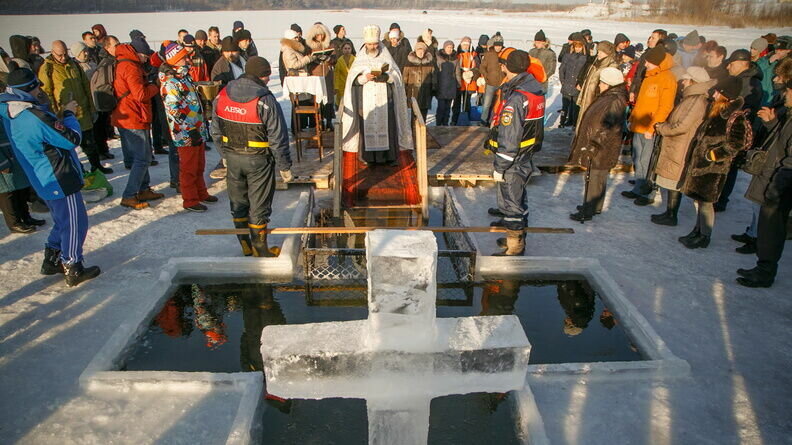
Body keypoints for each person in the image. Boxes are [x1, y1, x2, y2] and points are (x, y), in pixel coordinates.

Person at [0, 68, 100, 286]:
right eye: (37, 85)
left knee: (63, 219)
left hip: (41, 175)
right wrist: (69, 114)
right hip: (58, 175)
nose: (41, 88)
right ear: (29, 88)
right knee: (75, 222)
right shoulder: (33, 116)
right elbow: (71, 139)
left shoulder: (8, 109)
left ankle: (53, 257)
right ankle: (72, 265)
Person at [211, 56, 291, 257]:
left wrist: (224, 155)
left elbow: (215, 130)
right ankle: (260, 249)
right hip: (258, 161)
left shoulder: (223, 95)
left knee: (238, 202)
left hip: (233, 158)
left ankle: (245, 244)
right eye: (267, 75)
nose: (268, 79)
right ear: (261, 76)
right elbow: (277, 136)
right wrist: (284, 165)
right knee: (259, 205)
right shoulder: (265, 99)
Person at [679, 78, 752, 249]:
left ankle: (705, 236)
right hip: (701, 165)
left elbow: (736, 144)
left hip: (713, 168)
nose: (714, 94)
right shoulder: (716, 111)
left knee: (706, 203)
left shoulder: (734, 117)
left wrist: (714, 155)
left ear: (725, 96)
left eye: (717, 92)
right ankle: (697, 230)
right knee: (699, 201)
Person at [486, 49, 545, 255]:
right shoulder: (534, 90)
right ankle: (517, 236)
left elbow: (510, 137)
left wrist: (500, 166)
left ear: (506, 67)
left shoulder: (517, 99)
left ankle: (515, 246)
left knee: (512, 204)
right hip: (525, 154)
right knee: (519, 199)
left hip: (513, 159)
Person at [737, 79, 792, 287]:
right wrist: (770, 122)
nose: (785, 94)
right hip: (775, 175)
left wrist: (779, 182)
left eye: (789, 91)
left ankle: (765, 272)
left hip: (782, 180)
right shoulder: (789, 114)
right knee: (768, 227)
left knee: (773, 228)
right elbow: (780, 141)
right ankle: (763, 267)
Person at [340, 25, 413, 165]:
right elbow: (352, 81)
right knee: (367, 127)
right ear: (365, 44)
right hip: (366, 100)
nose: (373, 47)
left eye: (375, 44)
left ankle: (388, 157)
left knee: (387, 126)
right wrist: (364, 78)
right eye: (369, 44)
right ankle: (369, 158)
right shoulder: (360, 59)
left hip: (385, 99)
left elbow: (396, 77)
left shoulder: (386, 56)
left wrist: (386, 77)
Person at [650, 67, 714, 226]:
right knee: (672, 180)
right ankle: (669, 212)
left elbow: (682, 126)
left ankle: (672, 215)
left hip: (681, 145)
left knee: (675, 180)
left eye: (686, 79)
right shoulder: (690, 98)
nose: (683, 82)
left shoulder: (697, 101)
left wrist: (662, 128)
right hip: (676, 143)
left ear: (693, 81)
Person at [159, 42, 217, 212]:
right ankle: (190, 200)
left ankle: (201, 192)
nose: (187, 59)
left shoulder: (185, 77)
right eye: (184, 57)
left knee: (199, 164)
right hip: (184, 132)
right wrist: (188, 129)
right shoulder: (170, 83)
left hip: (197, 127)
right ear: (175, 60)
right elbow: (173, 111)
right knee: (189, 167)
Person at [39, 40, 110, 175]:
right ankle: (79, 171)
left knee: (89, 143)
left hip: (82, 110)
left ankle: (96, 166)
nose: (63, 57)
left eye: (65, 54)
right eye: (60, 55)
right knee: (69, 144)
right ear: (52, 52)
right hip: (63, 114)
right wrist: (54, 113)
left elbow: (86, 86)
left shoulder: (74, 65)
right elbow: (46, 93)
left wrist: (92, 107)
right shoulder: (47, 69)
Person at [568, 67, 628, 222]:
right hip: (602, 145)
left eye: (602, 82)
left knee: (595, 176)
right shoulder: (610, 97)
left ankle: (589, 209)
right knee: (597, 175)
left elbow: (608, 127)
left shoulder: (615, 100)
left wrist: (594, 145)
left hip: (602, 146)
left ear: (609, 84)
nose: (600, 85)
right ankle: (595, 206)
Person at [621, 45, 676, 206]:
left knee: (648, 161)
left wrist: (653, 127)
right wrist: (632, 118)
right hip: (638, 125)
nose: (645, 64)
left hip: (650, 129)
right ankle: (638, 188)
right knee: (638, 159)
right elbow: (641, 102)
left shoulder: (667, 79)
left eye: (648, 62)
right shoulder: (649, 76)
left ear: (657, 62)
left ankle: (649, 192)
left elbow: (665, 107)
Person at [112, 43, 164, 210]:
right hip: (133, 117)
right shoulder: (131, 67)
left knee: (143, 156)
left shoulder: (125, 63)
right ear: (138, 53)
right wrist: (155, 86)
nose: (146, 59)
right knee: (142, 158)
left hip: (131, 115)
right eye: (145, 56)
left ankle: (143, 189)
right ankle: (129, 195)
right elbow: (140, 94)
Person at [714, 48, 764, 212]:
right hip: (728, 127)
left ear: (743, 64)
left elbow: (745, 110)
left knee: (730, 165)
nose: (728, 67)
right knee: (724, 163)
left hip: (736, 131)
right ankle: (717, 195)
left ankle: (721, 199)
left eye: (732, 64)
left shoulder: (751, 84)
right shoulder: (738, 79)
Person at [0, 82, 43, 234]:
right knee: (7, 192)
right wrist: (2, 163)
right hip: (3, 156)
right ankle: (14, 222)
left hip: (13, 151)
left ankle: (26, 216)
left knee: (21, 187)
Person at [576, 41, 619, 132]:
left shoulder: (611, 66)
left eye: (600, 52)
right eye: (598, 51)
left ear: (607, 53)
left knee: (592, 126)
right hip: (587, 99)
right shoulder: (595, 63)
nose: (598, 53)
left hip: (597, 100)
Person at [91, 35, 119, 162]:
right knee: (100, 126)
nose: (118, 47)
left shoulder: (113, 60)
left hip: (109, 99)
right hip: (104, 99)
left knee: (104, 125)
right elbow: (103, 84)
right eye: (115, 45)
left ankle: (104, 149)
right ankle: (101, 150)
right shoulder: (106, 63)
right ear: (107, 47)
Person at [306, 22, 336, 129]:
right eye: (318, 35)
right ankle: (319, 121)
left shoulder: (330, 44)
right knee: (318, 98)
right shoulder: (310, 46)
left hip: (327, 74)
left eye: (322, 34)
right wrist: (314, 59)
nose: (320, 37)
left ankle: (329, 121)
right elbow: (307, 60)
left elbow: (335, 59)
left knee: (328, 99)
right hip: (316, 74)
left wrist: (328, 59)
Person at [558, 33, 587, 128]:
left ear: (582, 47)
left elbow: (585, 72)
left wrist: (581, 84)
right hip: (567, 84)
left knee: (575, 107)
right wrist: (562, 81)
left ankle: (574, 123)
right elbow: (562, 69)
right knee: (564, 106)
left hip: (577, 85)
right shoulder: (567, 56)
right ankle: (562, 122)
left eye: (579, 47)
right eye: (576, 47)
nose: (577, 49)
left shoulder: (584, 58)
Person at [403, 41, 437, 121]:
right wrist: (404, 88)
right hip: (412, 91)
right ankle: (413, 127)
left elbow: (434, 76)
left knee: (423, 112)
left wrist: (434, 88)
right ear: (415, 51)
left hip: (426, 91)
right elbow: (404, 77)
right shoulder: (409, 62)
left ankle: (423, 127)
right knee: (413, 112)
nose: (421, 52)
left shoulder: (430, 62)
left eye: (422, 50)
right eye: (419, 50)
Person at [478, 34, 504, 127]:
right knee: (486, 104)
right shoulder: (489, 54)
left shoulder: (504, 54)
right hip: (490, 83)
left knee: (499, 104)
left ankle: (496, 122)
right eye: (497, 45)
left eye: (500, 45)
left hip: (501, 84)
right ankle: (483, 121)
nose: (498, 47)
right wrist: (486, 76)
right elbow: (482, 67)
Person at [453, 36, 478, 125]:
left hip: (469, 83)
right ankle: (455, 119)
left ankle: (466, 119)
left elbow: (477, 67)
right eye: (464, 45)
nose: (466, 46)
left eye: (467, 45)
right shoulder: (457, 55)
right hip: (459, 82)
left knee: (467, 102)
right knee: (457, 102)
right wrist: (461, 73)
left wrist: (471, 73)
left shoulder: (474, 55)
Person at [435, 40, 458, 126]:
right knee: (441, 107)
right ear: (444, 48)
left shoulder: (455, 59)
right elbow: (435, 71)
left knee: (448, 108)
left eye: (451, 47)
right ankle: (438, 124)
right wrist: (435, 84)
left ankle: (445, 124)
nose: (450, 49)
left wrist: (458, 84)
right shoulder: (439, 57)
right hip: (441, 85)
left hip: (451, 86)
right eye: (448, 47)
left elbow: (457, 72)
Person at [334, 42, 355, 107]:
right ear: (342, 50)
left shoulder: (355, 60)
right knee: (342, 105)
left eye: (349, 48)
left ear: (351, 49)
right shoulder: (339, 61)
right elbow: (336, 75)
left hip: (352, 85)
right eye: (345, 48)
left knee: (352, 103)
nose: (347, 50)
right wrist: (336, 87)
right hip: (342, 86)